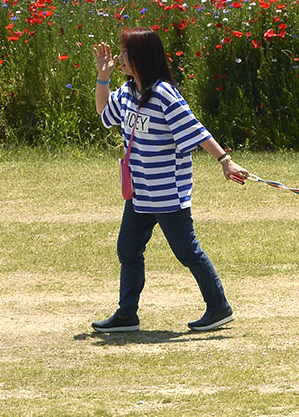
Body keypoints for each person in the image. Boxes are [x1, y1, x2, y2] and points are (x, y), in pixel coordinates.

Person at [91, 27, 248, 333]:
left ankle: (219, 308)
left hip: (166, 192)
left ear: (142, 57)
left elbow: (196, 130)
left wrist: (225, 161)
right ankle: (127, 314)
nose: (120, 57)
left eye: (125, 52)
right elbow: (103, 112)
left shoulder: (163, 93)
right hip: (139, 192)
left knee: (187, 251)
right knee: (128, 249)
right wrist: (103, 77)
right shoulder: (127, 93)